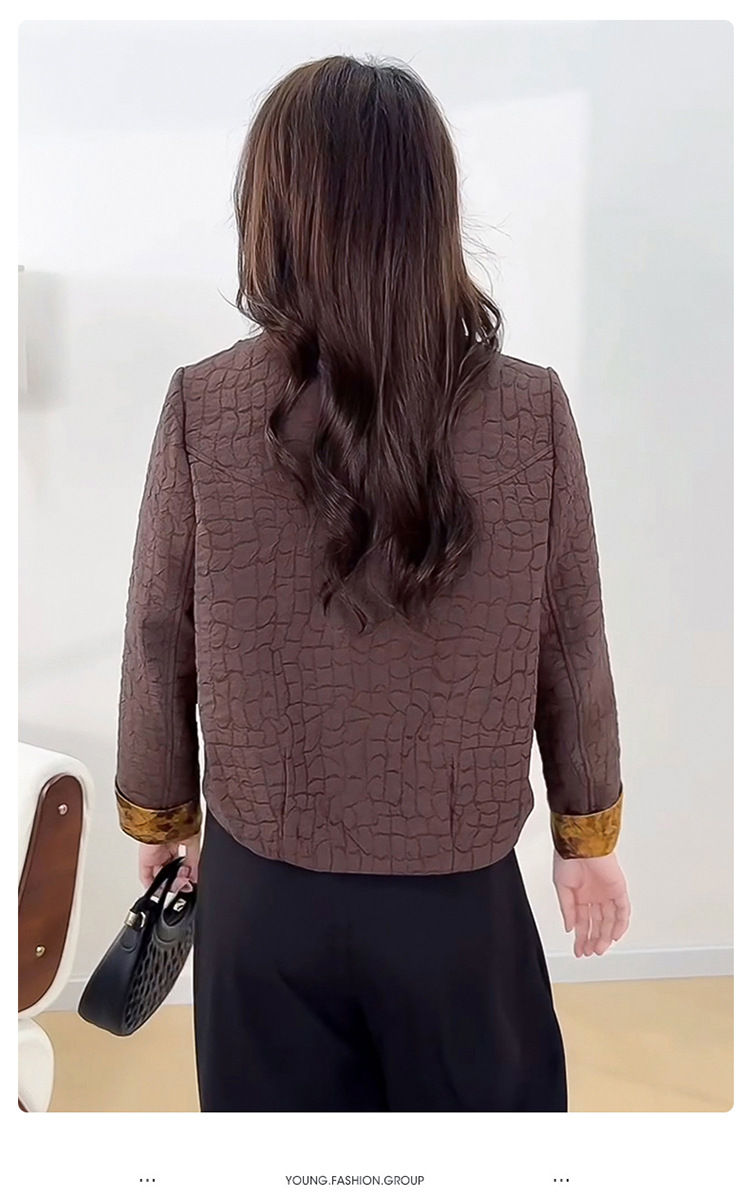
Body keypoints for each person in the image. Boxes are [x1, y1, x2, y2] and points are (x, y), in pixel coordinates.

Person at [113, 53, 631, 1113]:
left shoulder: (204, 403)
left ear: (273, 208)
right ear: (432, 210)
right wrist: (586, 836)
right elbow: (570, 642)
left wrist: (160, 816)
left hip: (262, 894)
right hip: (460, 900)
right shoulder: (528, 409)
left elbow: (160, 634)